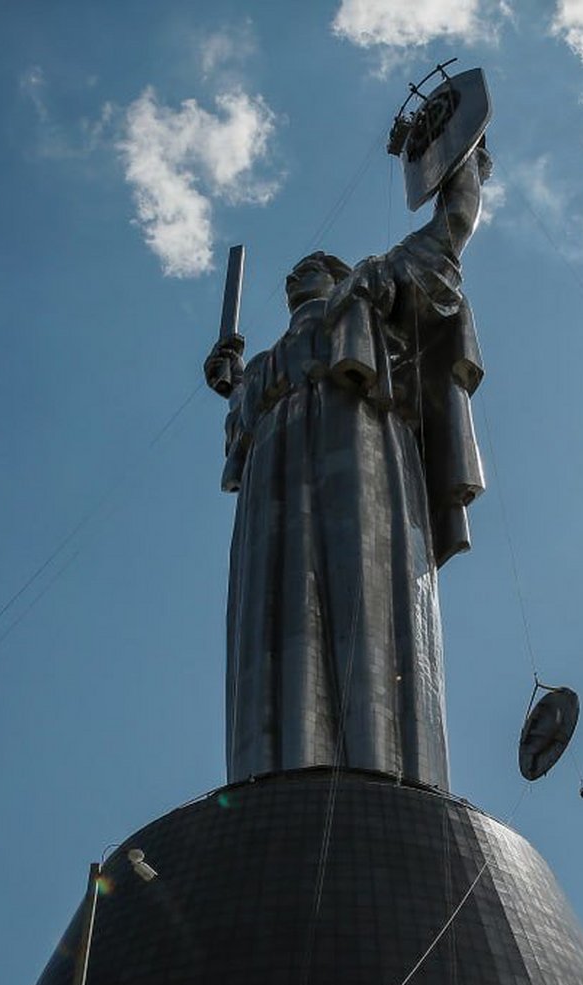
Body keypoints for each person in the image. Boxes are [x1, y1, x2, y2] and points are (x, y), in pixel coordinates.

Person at [203, 142, 492, 794]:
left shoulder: (370, 287)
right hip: (274, 476)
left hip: (361, 444)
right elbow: (246, 395)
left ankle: (383, 765)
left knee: (364, 585)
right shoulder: (262, 371)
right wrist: (232, 381)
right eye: (296, 272)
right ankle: (282, 767)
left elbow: (450, 231)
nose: (303, 271)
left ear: (336, 275)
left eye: (316, 266)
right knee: (276, 614)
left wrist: (463, 151)